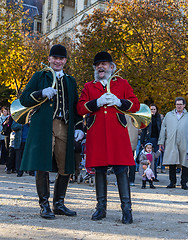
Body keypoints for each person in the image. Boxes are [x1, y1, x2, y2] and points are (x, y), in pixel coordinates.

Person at [19, 44, 84, 219]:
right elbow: (24, 99)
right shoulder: (40, 76)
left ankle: (59, 204)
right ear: (49, 59)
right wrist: (41, 93)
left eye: (61, 58)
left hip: (65, 125)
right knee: (43, 164)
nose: (57, 61)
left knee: (66, 165)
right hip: (44, 126)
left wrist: (79, 127)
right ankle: (44, 205)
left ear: (65, 61)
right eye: (54, 58)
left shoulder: (70, 81)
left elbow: (75, 107)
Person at [77, 51, 140, 224]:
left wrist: (119, 102)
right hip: (97, 133)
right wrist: (96, 102)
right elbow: (80, 108)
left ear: (112, 67)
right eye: (98, 64)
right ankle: (100, 208)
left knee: (121, 170)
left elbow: (135, 105)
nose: (100, 66)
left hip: (117, 133)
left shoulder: (122, 83)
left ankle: (127, 210)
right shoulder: (89, 86)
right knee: (99, 170)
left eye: (104, 64)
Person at [158, 97, 188, 190]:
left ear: (184, 105)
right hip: (171, 141)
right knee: (172, 162)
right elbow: (163, 129)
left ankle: (184, 183)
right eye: (177, 104)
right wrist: (161, 142)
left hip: (185, 142)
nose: (179, 106)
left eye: (180, 104)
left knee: (185, 163)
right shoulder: (169, 115)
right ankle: (172, 182)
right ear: (175, 105)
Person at [140, 103, 162, 181]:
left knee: (155, 159)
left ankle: (154, 176)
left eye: (154, 109)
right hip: (148, 140)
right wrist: (142, 141)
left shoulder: (159, 118)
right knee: (147, 159)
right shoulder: (146, 118)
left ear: (156, 110)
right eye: (151, 109)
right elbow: (143, 130)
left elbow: (161, 129)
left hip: (156, 140)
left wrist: (161, 140)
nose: (153, 111)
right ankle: (146, 175)